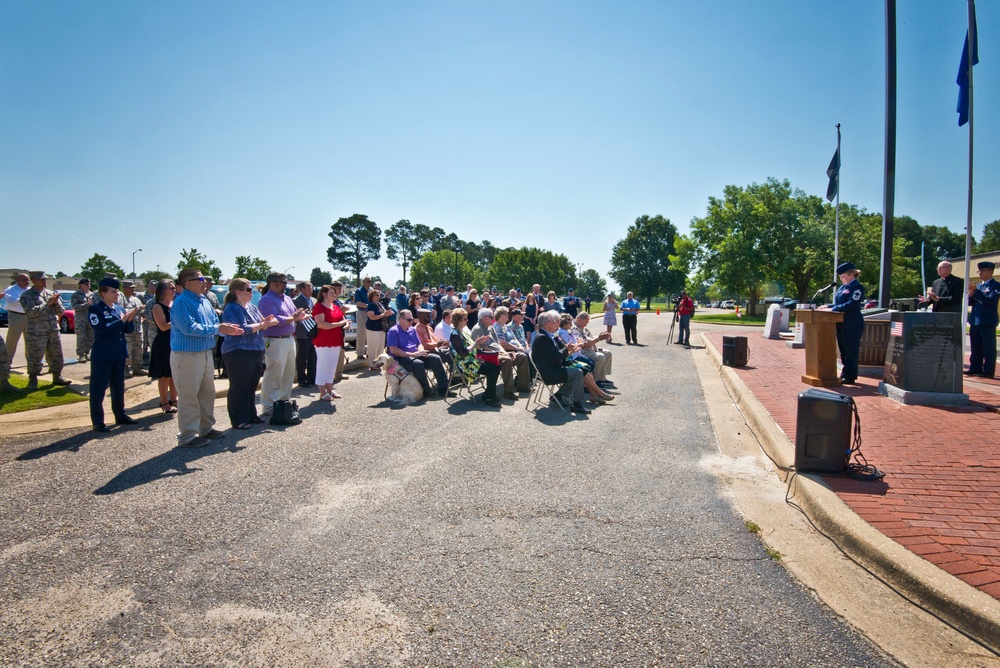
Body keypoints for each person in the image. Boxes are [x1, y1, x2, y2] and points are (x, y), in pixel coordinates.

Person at [170, 267, 244, 448]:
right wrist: (218, 329)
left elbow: (212, 323)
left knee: (206, 393)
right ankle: (187, 435)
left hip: (204, 353)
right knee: (189, 395)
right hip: (186, 356)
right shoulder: (181, 302)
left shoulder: (204, 300)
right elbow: (189, 328)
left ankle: (205, 428)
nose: (204, 282)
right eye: (200, 279)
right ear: (188, 283)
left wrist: (223, 328)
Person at [221, 278, 278, 429]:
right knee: (239, 386)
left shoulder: (251, 307)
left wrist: (266, 322)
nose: (251, 292)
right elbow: (241, 329)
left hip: (255, 350)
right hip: (238, 351)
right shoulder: (232, 308)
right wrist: (263, 324)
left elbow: (261, 325)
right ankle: (238, 419)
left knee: (251, 385)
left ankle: (251, 415)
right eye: (248, 289)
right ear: (237, 291)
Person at [88, 278, 141, 432]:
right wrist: (123, 320)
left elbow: (127, 330)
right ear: (103, 293)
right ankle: (98, 421)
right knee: (98, 389)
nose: (117, 293)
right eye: (113, 291)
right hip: (103, 354)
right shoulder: (95, 310)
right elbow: (102, 330)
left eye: (117, 291)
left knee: (118, 387)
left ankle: (120, 414)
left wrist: (129, 320)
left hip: (118, 353)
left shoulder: (118, 309)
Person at [258, 272, 309, 416]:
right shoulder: (266, 300)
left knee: (288, 373)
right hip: (274, 339)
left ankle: (284, 402)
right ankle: (268, 405)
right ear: (273, 283)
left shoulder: (287, 298)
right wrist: (293, 317)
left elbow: (293, 316)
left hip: (288, 338)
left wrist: (300, 316)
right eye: (283, 282)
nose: (286, 285)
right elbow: (275, 318)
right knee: (274, 373)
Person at [531, 310, 589, 414]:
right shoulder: (542, 338)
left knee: (579, 370)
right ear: (547, 324)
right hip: (548, 372)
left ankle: (558, 395)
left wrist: (568, 350)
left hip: (552, 368)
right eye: (554, 321)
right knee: (578, 373)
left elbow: (555, 355)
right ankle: (577, 404)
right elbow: (554, 357)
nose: (556, 323)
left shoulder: (547, 335)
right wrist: (567, 350)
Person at [20, 271, 70, 389]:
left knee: (56, 354)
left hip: (53, 329)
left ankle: (57, 376)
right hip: (36, 331)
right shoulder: (27, 295)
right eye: (41, 279)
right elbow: (31, 312)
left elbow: (61, 311)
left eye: (45, 279)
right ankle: (33, 380)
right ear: (33, 280)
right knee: (35, 355)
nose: (44, 281)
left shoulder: (51, 293)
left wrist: (56, 303)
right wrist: (48, 304)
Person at [387, 309, 452, 399]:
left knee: (435, 358)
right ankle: (426, 391)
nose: (412, 321)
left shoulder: (412, 329)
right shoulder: (393, 331)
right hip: (401, 358)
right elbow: (393, 350)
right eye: (409, 320)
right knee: (418, 364)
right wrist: (412, 354)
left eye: (412, 319)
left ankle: (443, 389)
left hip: (416, 354)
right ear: (401, 320)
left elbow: (419, 344)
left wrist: (421, 351)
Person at [820, 262, 865, 385]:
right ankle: (845, 373)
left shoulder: (857, 287)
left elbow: (852, 304)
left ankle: (850, 376)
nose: (841, 279)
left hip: (852, 324)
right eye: (840, 277)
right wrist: (828, 306)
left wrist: (833, 309)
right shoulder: (842, 288)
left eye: (843, 276)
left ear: (851, 275)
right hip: (841, 323)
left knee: (851, 350)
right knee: (844, 351)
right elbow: (838, 304)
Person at [449, 308, 501, 407]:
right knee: (493, 368)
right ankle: (490, 397)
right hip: (465, 364)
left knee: (496, 365)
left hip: (472, 360)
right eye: (465, 319)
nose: (467, 320)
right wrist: (476, 344)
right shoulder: (455, 335)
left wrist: (478, 343)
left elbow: (471, 348)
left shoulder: (462, 331)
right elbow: (463, 353)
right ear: (459, 321)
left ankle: (488, 394)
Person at [471, 307, 524, 400]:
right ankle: (508, 391)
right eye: (491, 316)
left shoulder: (490, 328)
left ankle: (523, 385)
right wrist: (502, 354)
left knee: (522, 356)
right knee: (507, 360)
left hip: (498, 352)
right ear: (484, 318)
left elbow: (498, 344)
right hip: (488, 355)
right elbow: (484, 348)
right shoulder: (477, 329)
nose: (493, 318)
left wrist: (506, 352)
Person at [313, 282, 349, 401]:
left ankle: (329, 389)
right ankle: (322, 392)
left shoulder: (335, 306)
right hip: (324, 341)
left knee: (331, 367)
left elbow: (343, 319)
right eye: (332, 293)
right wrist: (339, 324)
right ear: (324, 294)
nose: (334, 295)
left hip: (336, 340)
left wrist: (346, 323)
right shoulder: (319, 306)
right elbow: (321, 324)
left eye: (335, 293)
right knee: (323, 366)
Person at [488, 306, 533, 395]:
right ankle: (509, 390)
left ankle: (523, 386)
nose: (508, 315)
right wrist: (517, 348)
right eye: (506, 314)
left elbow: (515, 338)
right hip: (504, 352)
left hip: (514, 350)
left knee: (524, 356)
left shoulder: (505, 326)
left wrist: (521, 347)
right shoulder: (496, 327)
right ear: (500, 316)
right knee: (516, 358)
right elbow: (502, 343)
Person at [149, 279, 178, 414]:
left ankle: (174, 399)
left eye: (174, 288)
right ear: (162, 290)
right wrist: (179, 321)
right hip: (163, 343)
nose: (174, 290)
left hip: (176, 342)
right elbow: (163, 326)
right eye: (170, 288)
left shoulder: (175, 304)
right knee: (164, 375)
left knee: (174, 374)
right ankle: (163, 401)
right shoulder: (157, 306)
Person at [966, 261, 1000, 378]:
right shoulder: (979, 286)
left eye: (982, 271)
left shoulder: (996, 286)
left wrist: (975, 291)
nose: (980, 273)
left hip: (987, 321)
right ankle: (975, 368)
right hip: (975, 320)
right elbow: (970, 303)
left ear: (990, 271)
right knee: (976, 347)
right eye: (979, 271)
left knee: (988, 348)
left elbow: (990, 300)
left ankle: (988, 371)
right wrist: (970, 294)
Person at [572, 312, 613, 385]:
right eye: (585, 323)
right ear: (579, 319)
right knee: (600, 357)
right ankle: (596, 381)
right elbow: (583, 344)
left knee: (608, 353)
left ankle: (602, 378)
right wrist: (598, 339)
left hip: (591, 348)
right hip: (583, 351)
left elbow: (590, 337)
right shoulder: (573, 328)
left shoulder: (583, 328)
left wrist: (601, 336)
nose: (586, 325)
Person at [293, 281, 317, 388]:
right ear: (301, 290)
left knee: (313, 356)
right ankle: (302, 379)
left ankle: (312, 378)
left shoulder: (314, 300)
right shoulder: (296, 301)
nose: (310, 290)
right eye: (308, 288)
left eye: (311, 288)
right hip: (303, 332)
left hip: (314, 331)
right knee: (302, 357)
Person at [121, 281, 146, 377]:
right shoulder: (121, 299)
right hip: (127, 330)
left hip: (138, 329)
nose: (133, 289)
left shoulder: (136, 299)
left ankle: (137, 367)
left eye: (133, 287)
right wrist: (134, 310)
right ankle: (125, 369)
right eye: (130, 287)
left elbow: (141, 312)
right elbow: (121, 311)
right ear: (124, 288)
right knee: (128, 349)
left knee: (138, 348)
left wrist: (143, 311)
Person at [4, 272, 30, 359]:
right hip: (16, 316)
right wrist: (24, 300)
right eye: (25, 280)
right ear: (18, 280)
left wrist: (20, 301)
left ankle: (32, 363)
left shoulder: (30, 290)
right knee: (12, 341)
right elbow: (11, 301)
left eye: (28, 280)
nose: (28, 282)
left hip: (29, 316)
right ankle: (7, 362)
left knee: (30, 341)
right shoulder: (11, 289)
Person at [365, 288, 392, 369]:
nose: (378, 296)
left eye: (379, 295)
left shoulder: (380, 304)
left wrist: (388, 313)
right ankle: (372, 364)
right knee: (373, 347)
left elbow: (383, 314)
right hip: (373, 328)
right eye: (376, 295)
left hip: (381, 328)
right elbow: (372, 317)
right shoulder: (371, 305)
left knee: (380, 347)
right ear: (371, 296)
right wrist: (384, 314)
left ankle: (378, 364)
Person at [70, 278, 95, 361]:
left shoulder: (92, 295)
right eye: (86, 283)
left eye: (89, 283)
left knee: (91, 337)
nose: (88, 285)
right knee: (81, 337)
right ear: (81, 285)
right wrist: (87, 305)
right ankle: (81, 354)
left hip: (91, 319)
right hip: (81, 319)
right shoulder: (76, 295)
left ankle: (87, 353)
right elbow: (75, 307)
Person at [353, 276, 373, 359]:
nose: (370, 282)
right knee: (361, 333)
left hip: (371, 313)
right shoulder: (359, 291)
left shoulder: (371, 290)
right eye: (368, 281)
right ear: (363, 282)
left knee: (370, 332)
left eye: (371, 281)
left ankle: (369, 352)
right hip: (362, 312)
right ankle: (360, 353)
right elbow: (358, 303)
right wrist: (368, 306)